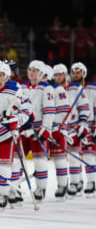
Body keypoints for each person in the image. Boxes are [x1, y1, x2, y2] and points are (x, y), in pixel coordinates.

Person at [0, 61, 31, 211]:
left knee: (4, 166)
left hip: (6, 135)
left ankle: (4, 194)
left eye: (0, 74)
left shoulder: (14, 89)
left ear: (6, 77)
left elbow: (26, 111)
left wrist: (15, 120)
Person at [21, 60, 56, 201]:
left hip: (37, 130)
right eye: (30, 70)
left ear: (41, 73)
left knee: (39, 160)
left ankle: (41, 188)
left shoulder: (46, 88)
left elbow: (49, 110)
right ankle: (14, 188)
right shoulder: (22, 87)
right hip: (23, 129)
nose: (31, 73)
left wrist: (46, 128)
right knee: (16, 160)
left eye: (35, 70)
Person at [66, 62, 91, 196]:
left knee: (88, 156)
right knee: (73, 156)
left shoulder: (91, 89)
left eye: (78, 72)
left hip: (89, 127)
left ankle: (90, 182)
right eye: (73, 72)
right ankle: (77, 181)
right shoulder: (69, 89)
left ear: (84, 73)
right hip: (74, 128)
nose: (75, 75)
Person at [51, 63, 72, 200]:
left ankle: (63, 185)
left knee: (60, 158)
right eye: (56, 75)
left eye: (61, 75)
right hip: (52, 127)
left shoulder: (72, 89)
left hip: (64, 128)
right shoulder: (52, 89)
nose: (58, 77)